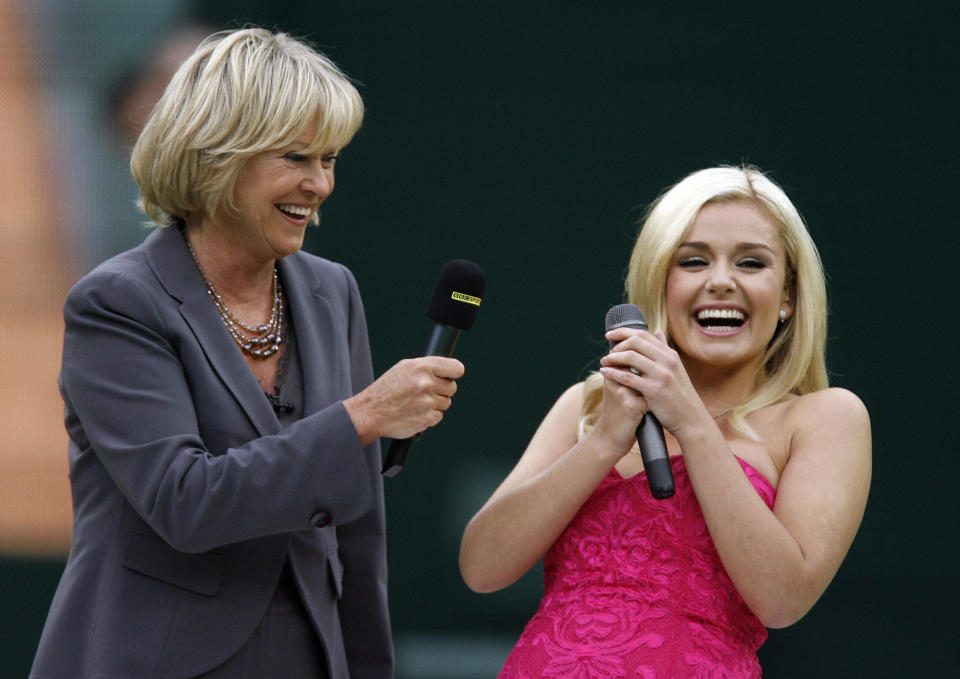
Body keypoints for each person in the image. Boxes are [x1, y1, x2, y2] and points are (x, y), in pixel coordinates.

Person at [30, 28, 464, 679]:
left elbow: (358, 533)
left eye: (331, 158)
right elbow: (187, 501)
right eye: (296, 156)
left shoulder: (330, 290)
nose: (319, 183)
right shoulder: (118, 302)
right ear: (215, 156)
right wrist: (362, 416)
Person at [459, 166, 871, 678]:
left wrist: (693, 424)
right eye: (694, 261)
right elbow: (481, 568)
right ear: (660, 283)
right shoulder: (585, 407)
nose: (721, 281)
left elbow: (783, 599)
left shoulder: (823, 417)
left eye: (750, 262)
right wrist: (605, 440)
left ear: (787, 296)